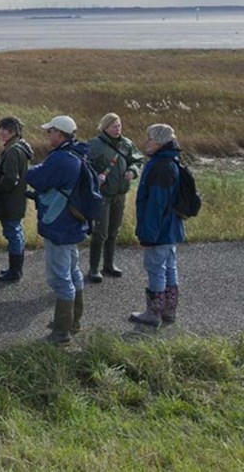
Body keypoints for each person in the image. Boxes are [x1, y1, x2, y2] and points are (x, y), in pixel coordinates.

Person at [25, 116, 89, 344]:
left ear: (60, 134)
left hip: (59, 223)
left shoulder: (61, 159)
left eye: (50, 131)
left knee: (60, 277)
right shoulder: (77, 154)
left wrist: (32, 169)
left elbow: (35, 178)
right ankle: (74, 321)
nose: (48, 135)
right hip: (71, 221)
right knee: (73, 271)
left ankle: (62, 332)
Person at [129, 124, 185, 327]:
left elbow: (156, 205)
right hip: (171, 227)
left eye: (150, 139)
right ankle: (169, 311)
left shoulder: (161, 166)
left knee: (155, 268)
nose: (146, 142)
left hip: (160, 229)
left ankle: (153, 313)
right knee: (170, 267)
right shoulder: (172, 160)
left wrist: (147, 234)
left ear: (159, 142)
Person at [86, 113, 144, 283]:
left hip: (120, 194)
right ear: (104, 127)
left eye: (119, 125)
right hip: (103, 195)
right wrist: (96, 176)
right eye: (114, 126)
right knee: (100, 232)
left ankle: (109, 265)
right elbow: (84, 166)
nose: (118, 129)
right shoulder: (94, 145)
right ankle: (94, 268)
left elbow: (138, 159)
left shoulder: (127, 143)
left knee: (113, 231)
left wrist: (133, 171)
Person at [0, 117, 34, 282]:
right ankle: (16, 269)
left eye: (5, 129)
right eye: (0, 128)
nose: (1, 132)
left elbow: (10, 179)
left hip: (10, 200)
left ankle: (15, 271)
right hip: (17, 199)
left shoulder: (13, 150)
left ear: (13, 131)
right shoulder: (18, 147)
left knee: (13, 233)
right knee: (16, 232)